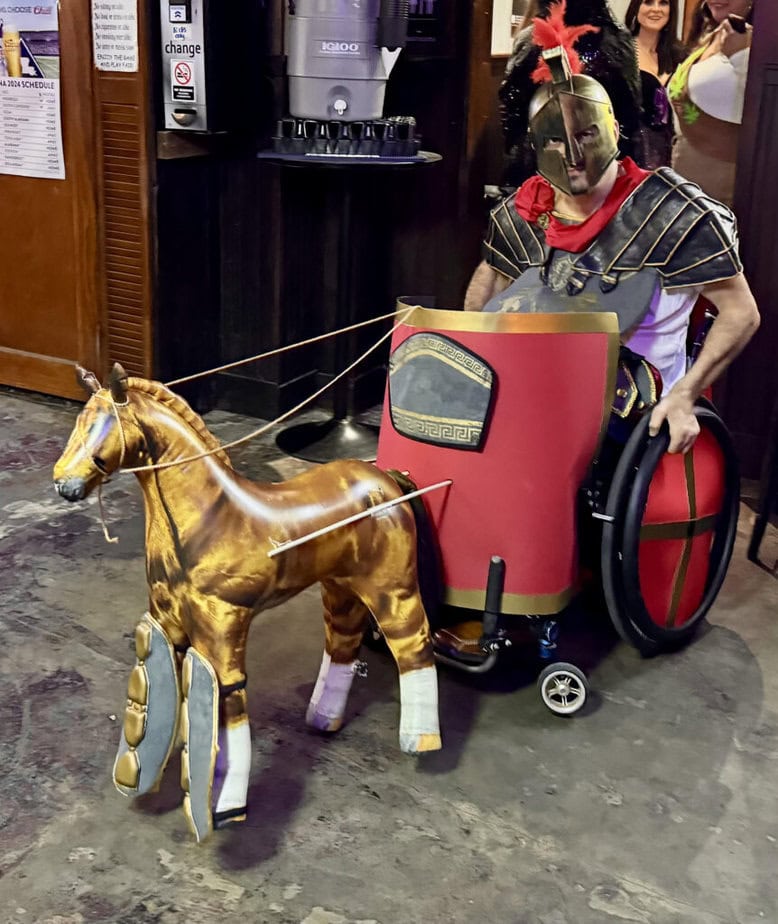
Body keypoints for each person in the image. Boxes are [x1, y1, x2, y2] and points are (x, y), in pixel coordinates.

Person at [464, 3, 759, 455]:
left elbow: (741, 312)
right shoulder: (522, 211)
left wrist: (685, 396)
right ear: (536, 145)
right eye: (555, 140)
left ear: (614, 127)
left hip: (631, 423)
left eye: (586, 134)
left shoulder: (672, 211)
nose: (572, 155)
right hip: (528, 407)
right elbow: (483, 301)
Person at [498, 0, 643, 187]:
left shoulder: (616, 41)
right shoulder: (530, 41)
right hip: (541, 171)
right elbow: (514, 118)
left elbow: (629, 117)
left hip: (602, 171)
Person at [668, 0, 754, 207]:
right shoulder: (712, 35)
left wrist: (740, 55)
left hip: (725, 193)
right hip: (685, 184)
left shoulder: (765, 41)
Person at [625, 0, 686, 168]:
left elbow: (690, 110)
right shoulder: (619, 52)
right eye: (648, 2)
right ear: (636, 7)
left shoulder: (682, 56)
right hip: (630, 156)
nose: (656, 9)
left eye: (663, 3)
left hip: (675, 157)